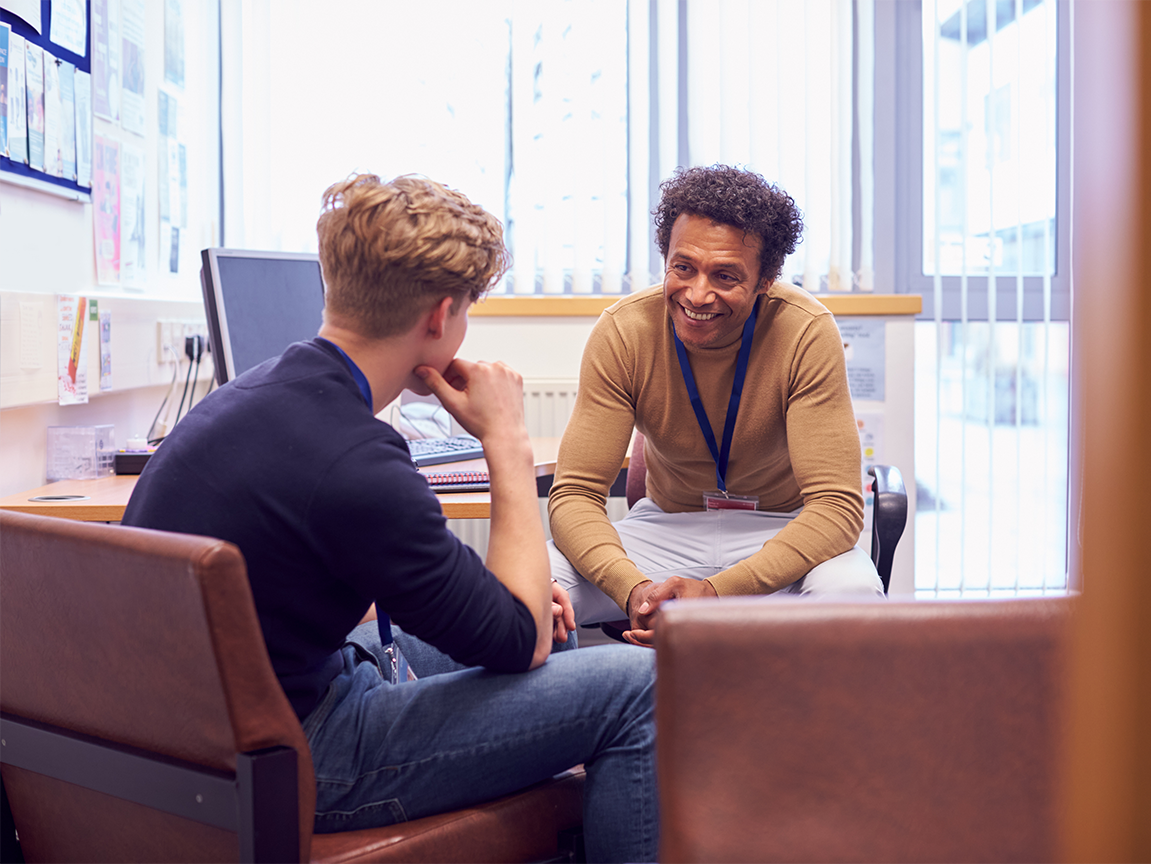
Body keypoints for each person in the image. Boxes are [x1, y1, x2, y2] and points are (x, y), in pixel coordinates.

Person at [123, 173, 657, 864]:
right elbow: (516, 640)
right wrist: (508, 442)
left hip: (208, 726)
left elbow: (501, 619)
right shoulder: (355, 462)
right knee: (638, 688)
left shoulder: (257, 392)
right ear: (440, 318)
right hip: (300, 755)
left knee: (555, 635)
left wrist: (520, 617)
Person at [548, 165, 883, 647]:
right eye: (683, 267)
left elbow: (836, 508)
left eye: (725, 275)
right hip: (666, 530)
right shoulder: (625, 331)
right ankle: (588, 716)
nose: (697, 294)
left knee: (852, 596)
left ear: (765, 279)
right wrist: (635, 591)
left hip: (781, 530)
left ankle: (804, 725)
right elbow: (575, 495)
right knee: (531, 586)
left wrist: (718, 592)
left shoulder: (806, 331)